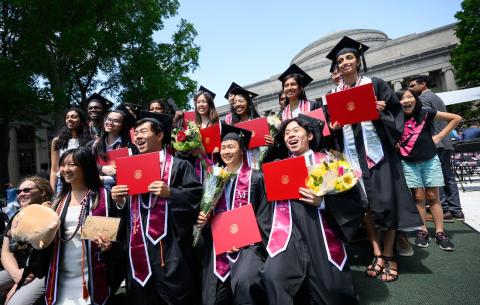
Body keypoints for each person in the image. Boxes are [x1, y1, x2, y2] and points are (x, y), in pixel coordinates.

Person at [325, 36, 422, 282]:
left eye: (349, 57)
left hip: (378, 155)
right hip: (351, 156)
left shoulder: (375, 84)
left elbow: (396, 114)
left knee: (388, 203)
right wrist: (334, 127)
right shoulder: (334, 94)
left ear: (358, 60)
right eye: (340, 60)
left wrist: (382, 112)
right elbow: (332, 126)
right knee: (364, 206)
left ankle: (389, 254)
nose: (344, 62)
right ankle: (377, 253)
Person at [258, 117, 367, 305]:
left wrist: (324, 202)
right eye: (286, 133)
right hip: (289, 234)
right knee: (273, 277)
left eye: (295, 131)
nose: (290, 135)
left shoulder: (328, 162)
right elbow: (265, 208)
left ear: (309, 135)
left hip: (321, 232)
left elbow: (356, 201)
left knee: (331, 289)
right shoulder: (278, 168)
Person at [111, 117, 203, 305]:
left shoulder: (179, 165)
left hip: (171, 248)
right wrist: (120, 201)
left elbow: (195, 198)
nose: (138, 137)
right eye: (136, 134)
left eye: (144, 132)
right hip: (138, 249)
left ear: (160, 135)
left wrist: (171, 193)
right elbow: (126, 215)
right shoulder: (129, 169)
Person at [197, 123, 267, 305]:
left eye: (231, 147)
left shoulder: (256, 178)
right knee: (215, 297)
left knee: (246, 284)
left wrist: (247, 238)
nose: (226, 151)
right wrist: (203, 219)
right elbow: (205, 211)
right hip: (217, 245)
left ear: (242, 150)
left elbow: (265, 214)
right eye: (223, 148)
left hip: (248, 246)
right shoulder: (213, 179)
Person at [45, 147, 124, 305]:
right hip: (61, 275)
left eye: (72, 164)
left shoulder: (104, 198)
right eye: (63, 164)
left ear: (86, 166)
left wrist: (110, 246)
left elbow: (120, 237)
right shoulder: (57, 201)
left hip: (93, 275)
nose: (66, 169)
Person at [396, 89, 461, 251]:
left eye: (410, 97)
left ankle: (440, 233)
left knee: (433, 196)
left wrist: (439, 137)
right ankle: (422, 230)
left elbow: (456, 118)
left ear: (416, 99)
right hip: (409, 163)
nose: (406, 101)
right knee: (418, 197)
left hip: (430, 161)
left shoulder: (425, 112)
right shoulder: (396, 119)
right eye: (402, 99)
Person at [408, 75, 464, 221]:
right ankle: (456, 210)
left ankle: (445, 209)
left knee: (436, 179)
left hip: (435, 142)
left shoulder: (424, 99)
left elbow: (422, 120)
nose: (410, 89)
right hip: (446, 142)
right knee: (448, 177)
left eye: (413, 85)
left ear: (423, 84)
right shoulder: (436, 97)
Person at [0, 176, 53, 305]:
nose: (21, 194)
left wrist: (17, 285)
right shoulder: (17, 216)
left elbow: (41, 259)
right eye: (19, 192)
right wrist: (16, 274)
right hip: (17, 269)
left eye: (26, 190)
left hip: (39, 272)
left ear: (43, 192)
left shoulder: (50, 215)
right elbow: (6, 253)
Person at [227, 86, 275, 170]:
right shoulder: (232, 127)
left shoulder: (259, 122)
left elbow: (267, 148)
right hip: (242, 169)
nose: (237, 104)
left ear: (248, 103)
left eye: (240, 101)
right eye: (234, 102)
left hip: (261, 165)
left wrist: (272, 142)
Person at [50, 108, 91, 192]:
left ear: (81, 120)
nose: (69, 119)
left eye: (73, 117)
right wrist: (52, 191)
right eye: (67, 117)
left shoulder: (90, 140)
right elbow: (54, 169)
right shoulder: (57, 141)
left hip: (84, 182)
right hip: (62, 182)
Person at [92, 110, 133, 189]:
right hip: (98, 189)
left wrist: (104, 179)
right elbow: (87, 164)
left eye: (116, 121)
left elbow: (130, 172)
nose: (110, 123)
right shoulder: (95, 144)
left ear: (123, 125)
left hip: (120, 190)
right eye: (109, 119)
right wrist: (102, 168)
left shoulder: (129, 146)